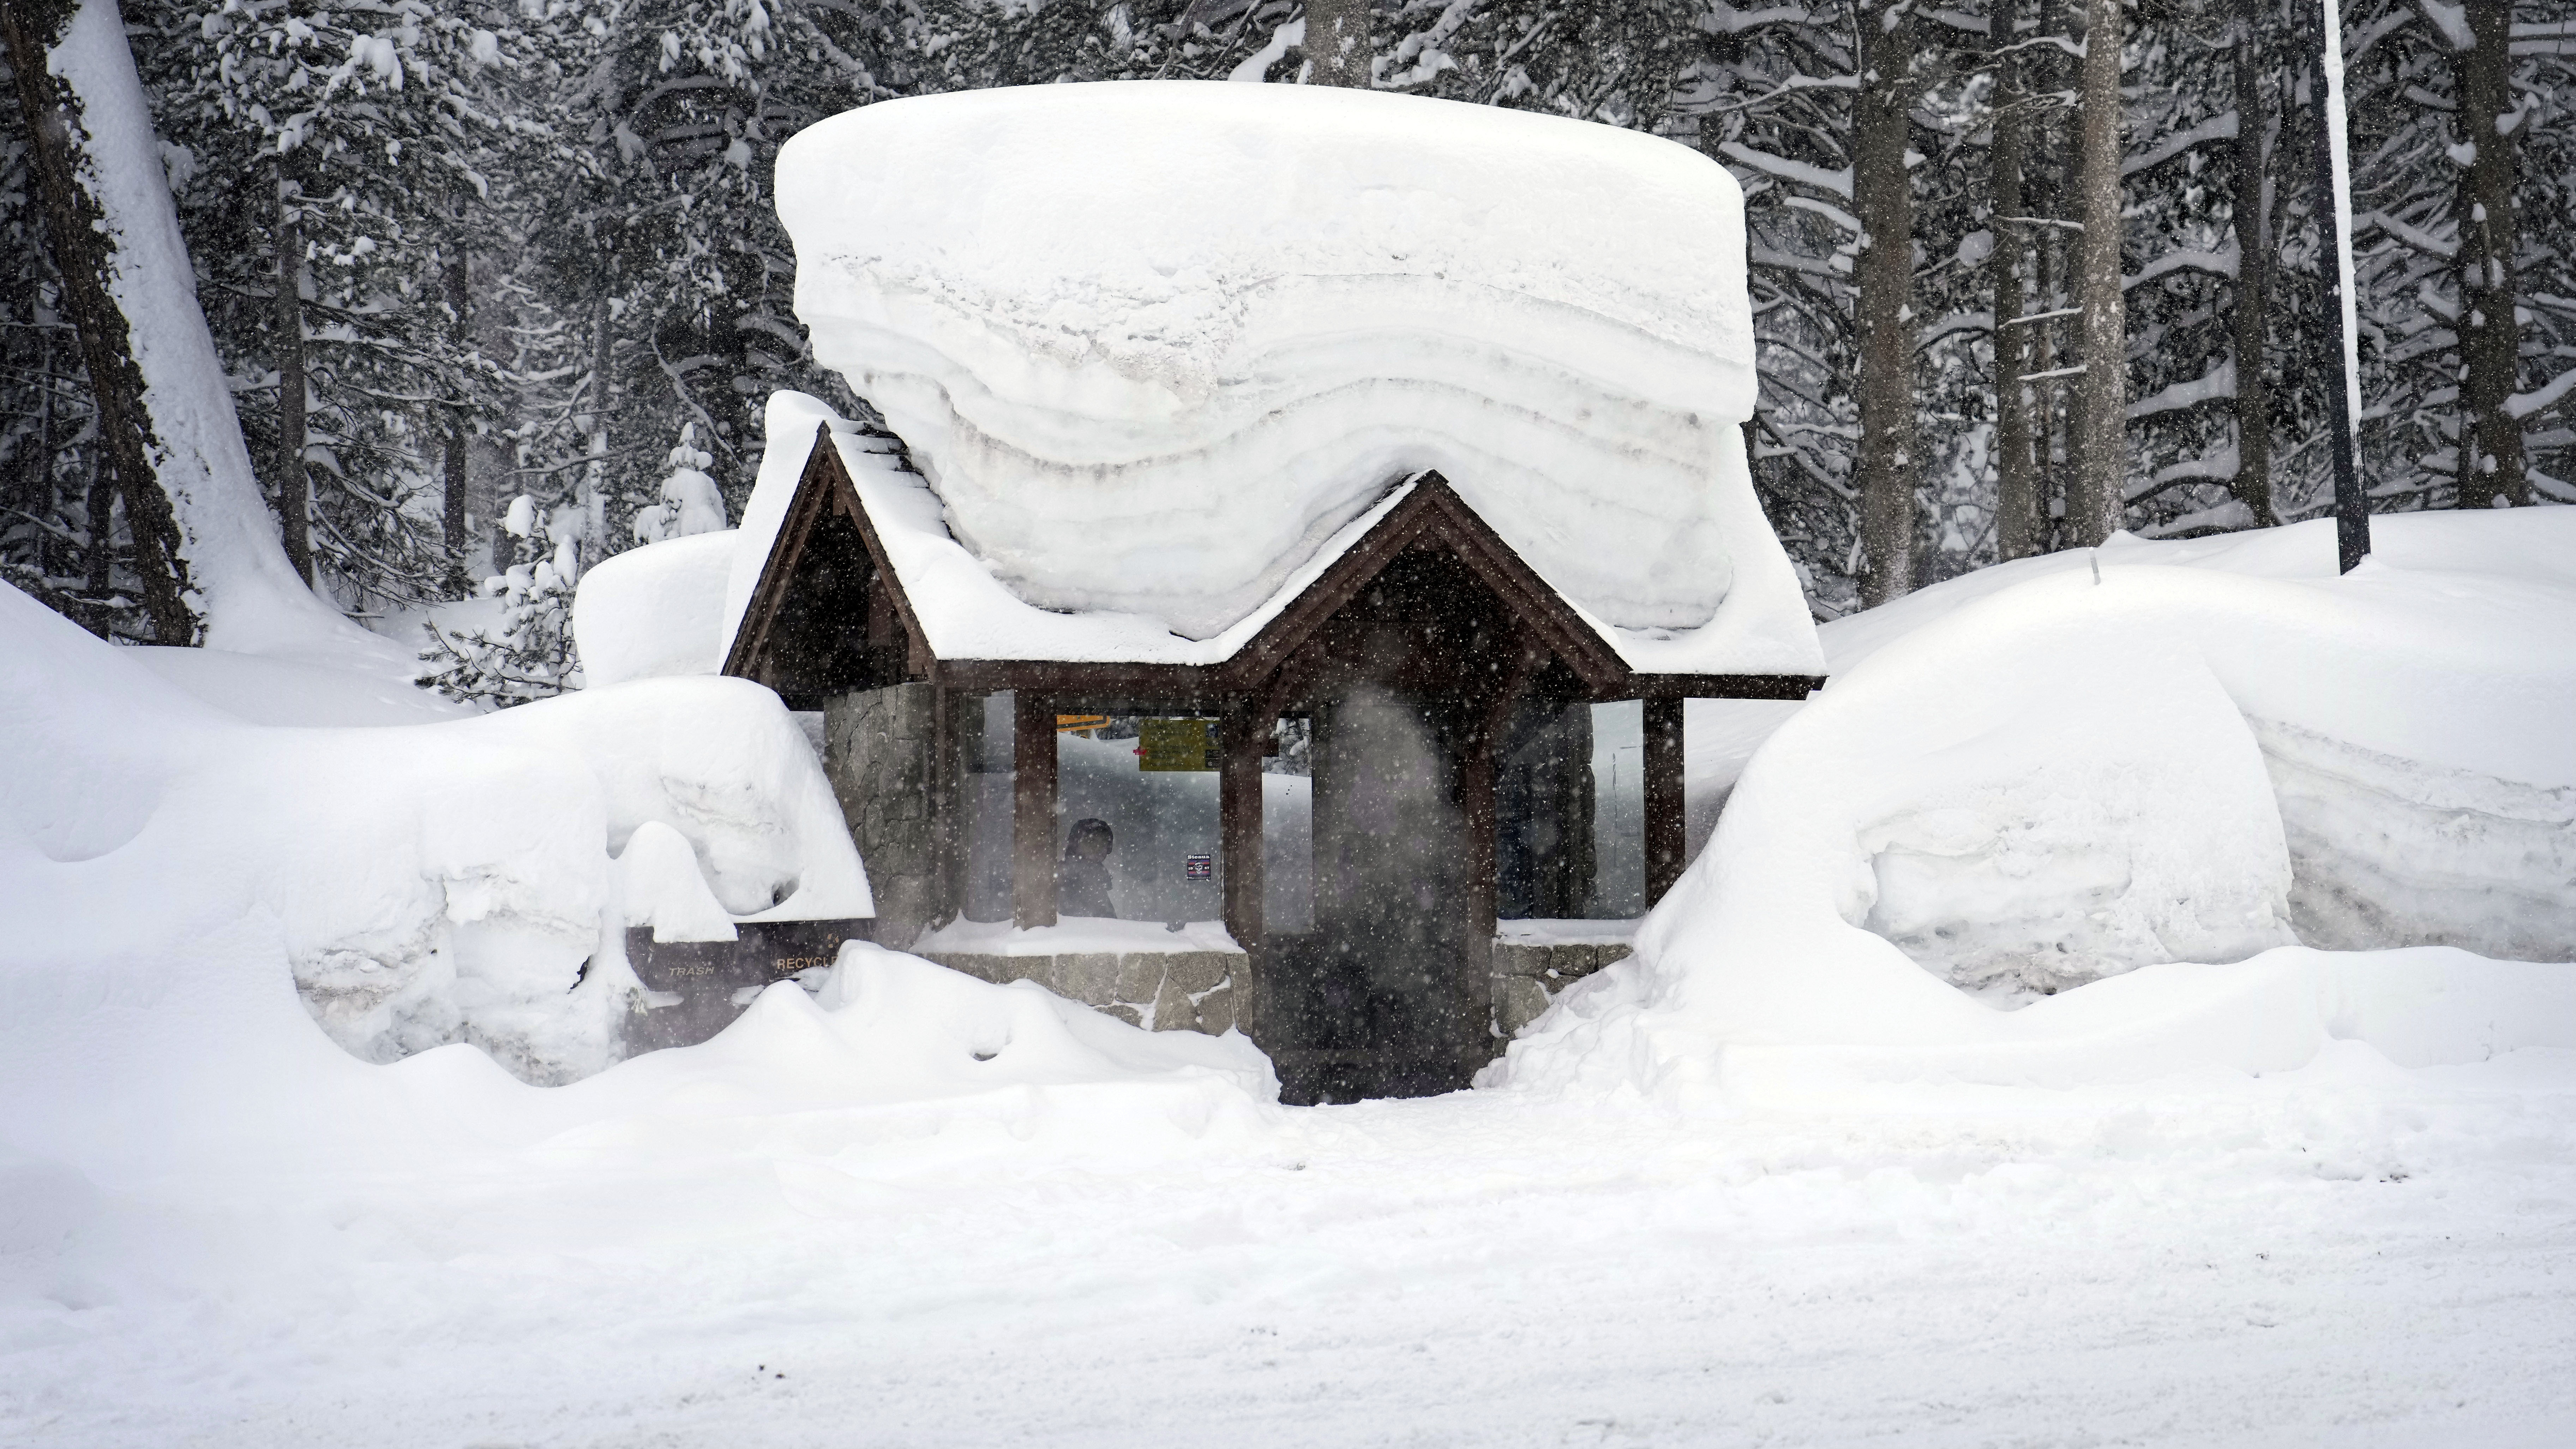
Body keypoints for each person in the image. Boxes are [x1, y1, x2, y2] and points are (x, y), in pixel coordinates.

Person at [1059, 818, 1117, 918]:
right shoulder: (1065, 877)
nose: (1098, 848)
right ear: (1075, 845)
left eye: (1103, 843)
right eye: (1091, 841)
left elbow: (1109, 925)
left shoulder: (1096, 877)